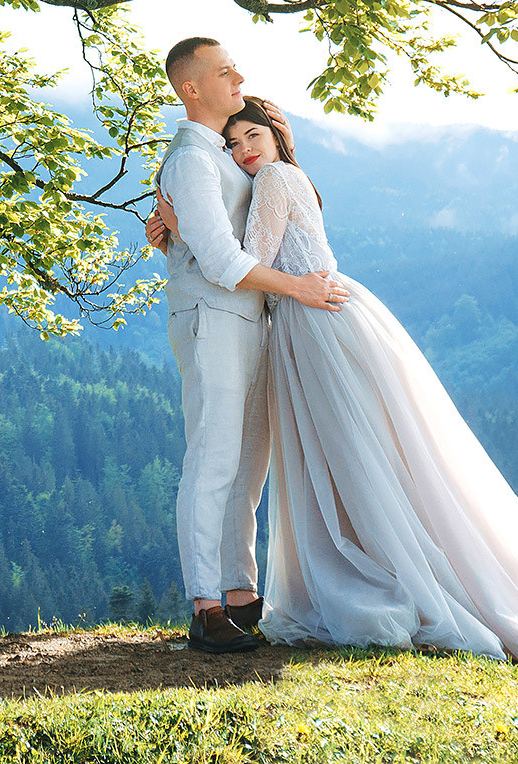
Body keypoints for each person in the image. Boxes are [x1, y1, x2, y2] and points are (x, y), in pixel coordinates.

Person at [152, 97, 518, 694]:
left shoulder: (275, 182)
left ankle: (383, 576)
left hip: (315, 323)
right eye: (233, 144)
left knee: (352, 455)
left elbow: (245, 262)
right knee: (363, 455)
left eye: (251, 136)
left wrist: (187, 232)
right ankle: (383, 567)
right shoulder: (292, 178)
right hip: (320, 319)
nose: (243, 150)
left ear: (277, 134)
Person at [148, 38, 347, 654]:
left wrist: (172, 239)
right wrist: (299, 289)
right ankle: (206, 606)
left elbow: (216, 240)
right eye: (224, 70)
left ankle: (240, 597)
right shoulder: (191, 160)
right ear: (192, 88)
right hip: (215, 320)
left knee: (246, 467)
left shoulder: (225, 158)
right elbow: (222, 258)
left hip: (250, 318)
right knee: (212, 460)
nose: (239, 76)